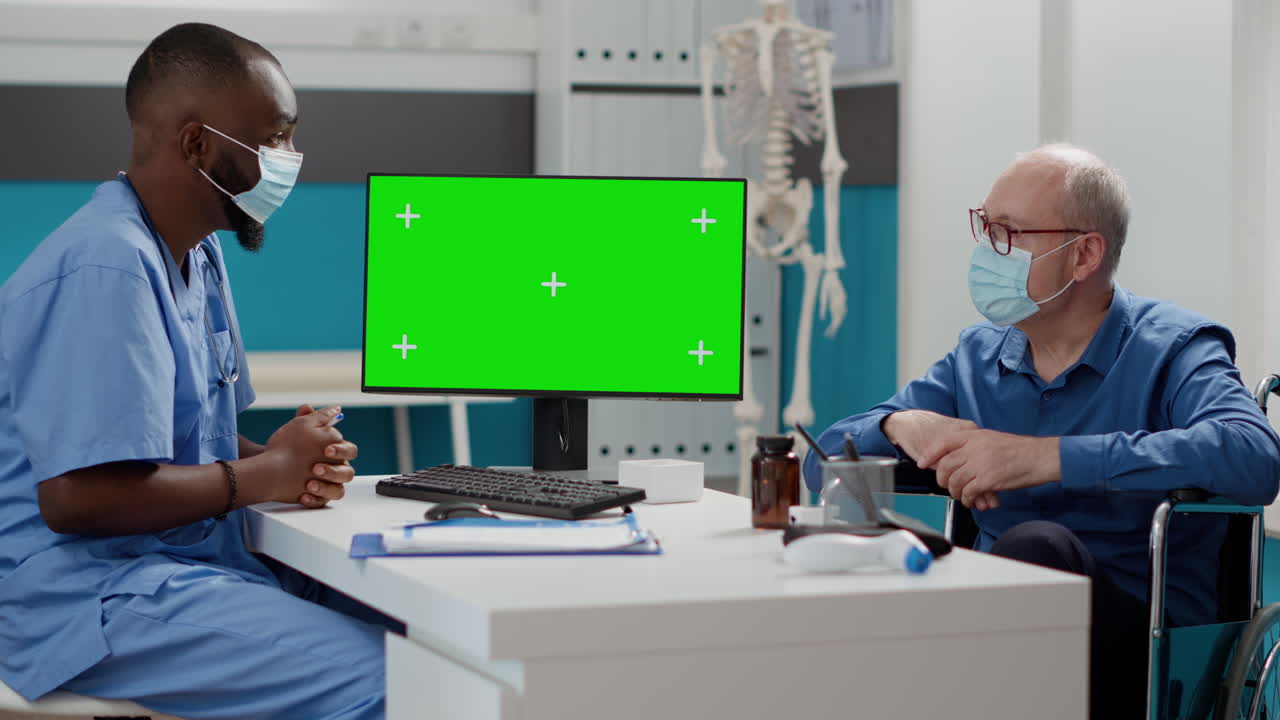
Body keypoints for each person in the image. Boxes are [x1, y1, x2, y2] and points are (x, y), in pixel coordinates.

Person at [805, 143, 1280, 717]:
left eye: (1009, 234)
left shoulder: (1175, 347)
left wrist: (1048, 458)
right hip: (992, 626)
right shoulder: (976, 357)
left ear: (1083, 256)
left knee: (1037, 548)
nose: (987, 252)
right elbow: (822, 460)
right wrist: (903, 423)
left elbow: (1254, 456)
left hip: (1140, 638)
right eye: (984, 228)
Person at [0, 23, 388, 719]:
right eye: (273, 138)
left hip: (179, 566)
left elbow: (194, 439)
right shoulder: (106, 264)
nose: (290, 159)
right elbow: (78, 497)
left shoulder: (197, 253)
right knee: (391, 683)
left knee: (433, 641)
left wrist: (286, 458)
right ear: (196, 144)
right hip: (86, 597)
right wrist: (267, 475)